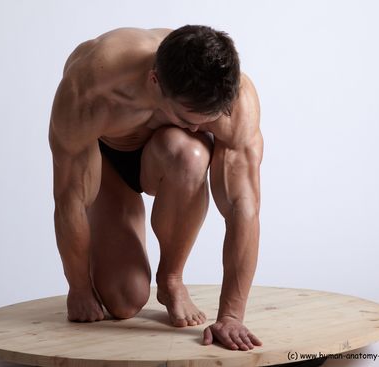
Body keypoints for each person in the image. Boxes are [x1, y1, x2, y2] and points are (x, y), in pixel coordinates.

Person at [48, 25, 264, 351]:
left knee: (191, 154)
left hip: (171, 159)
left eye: (207, 119)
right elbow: (70, 197)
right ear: (154, 82)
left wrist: (231, 315)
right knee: (124, 300)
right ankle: (120, 248)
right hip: (109, 164)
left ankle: (171, 279)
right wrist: (78, 288)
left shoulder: (237, 104)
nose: (197, 128)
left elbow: (242, 206)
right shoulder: (91, 89)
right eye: (188, 117)